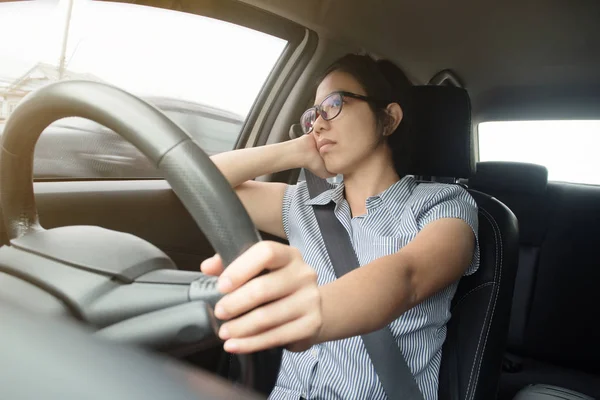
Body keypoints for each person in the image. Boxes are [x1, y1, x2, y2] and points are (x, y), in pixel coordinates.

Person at [201, 53, 480, 400]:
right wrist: (294, 152)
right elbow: (197, 182)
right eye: (313, 114)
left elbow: (408, 277)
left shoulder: (443, 205)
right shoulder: (303, 205)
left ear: (388, 119)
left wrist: (310, 309)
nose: (318, 124)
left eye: (334, 104)